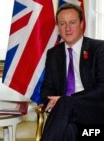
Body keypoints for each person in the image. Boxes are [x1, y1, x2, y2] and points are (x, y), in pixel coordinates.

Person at [40, 3, 104, 141]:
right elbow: (46, 89)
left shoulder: (99, 48)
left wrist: (69, 99)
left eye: (72, 22)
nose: (67, 28)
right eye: (62, 24)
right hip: (65, 114)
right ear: (58, 28)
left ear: (82, 24)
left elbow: (102, 88)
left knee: (65, 102)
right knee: (68, 129)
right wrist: (51, 101)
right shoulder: (53, 54)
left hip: (94, 111)